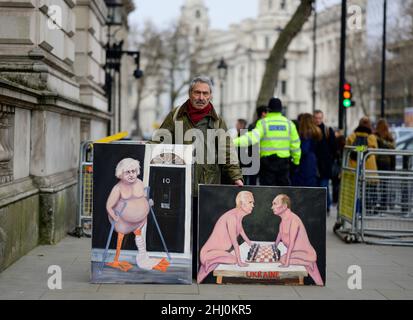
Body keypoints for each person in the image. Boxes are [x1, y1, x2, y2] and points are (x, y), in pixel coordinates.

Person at [153, 75, 243, 277]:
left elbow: (227, 150)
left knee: (203, 229)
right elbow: (160, 141)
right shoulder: (176, 116)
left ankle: (199, 269)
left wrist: (236, 176)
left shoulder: (217, 121)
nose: (201, 97)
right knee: (179, 229)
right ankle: (178, 269)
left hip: (207, 185)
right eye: (197, 92)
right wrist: (144, 152)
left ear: (211, 95)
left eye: (205, 93)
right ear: (190, 93)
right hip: (180, 184)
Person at [105, 158, 169, 272]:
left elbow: (143, 197)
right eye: (127, 172)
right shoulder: (118, 188)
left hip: (139, 220)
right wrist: (114, 217)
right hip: (123, 221)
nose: (131, 175)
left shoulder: (139, 183)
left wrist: (148, 202)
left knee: (139, 235)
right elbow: (109, 206)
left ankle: (143, 256)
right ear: (121, 173)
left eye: (133, 171)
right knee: (121, 237)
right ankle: (116, 260)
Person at [233, 98, 301, 186]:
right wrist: (296, 162)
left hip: (267, 165)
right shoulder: (289, 124)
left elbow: (251, 138)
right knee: (283, 194)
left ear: (269, 109)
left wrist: (232, 142)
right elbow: (295, 146)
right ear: (281, 109)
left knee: (268, 194)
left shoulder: (263, 123)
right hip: (283, 165)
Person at [197, 191, 254, 283]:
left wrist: (251, 244)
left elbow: (240, 230)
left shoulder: (237, 215)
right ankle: (209, 262)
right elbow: (234, 242)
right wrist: (240, 262)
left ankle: (209, 263)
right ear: (241, 204)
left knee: (202, 275)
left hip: (217, 253)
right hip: (209, 254)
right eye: (250, 202)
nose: (253, 205)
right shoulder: (232, 217)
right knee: (234, 260)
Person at [272, 194, 324, 286]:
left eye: (275, 204)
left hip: (305, 254)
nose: (272, 207)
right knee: (318, 282)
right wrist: (273, 247)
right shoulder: (283, 219)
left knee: (283, 259)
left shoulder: (293, 219)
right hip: (296, 254)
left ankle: (308, 262)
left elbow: (292, 242)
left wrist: (287, 263)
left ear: (284, 207)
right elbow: (280, 234)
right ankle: (308, 263)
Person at [313, 110, 336, 214]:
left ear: (322, 118)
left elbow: (333, 147)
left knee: (324, 186)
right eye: (316, 118)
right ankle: (321, 207)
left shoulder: (328, 130)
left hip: (325, 164)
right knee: (318, 186)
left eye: (319, 118)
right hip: (315, 164)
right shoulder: (311, 130)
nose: (318, 120)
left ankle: (326, 207)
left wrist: (329, 160)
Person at [291, 113, 322, 187]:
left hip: (305, 164)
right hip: (313, 163)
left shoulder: (305, 135)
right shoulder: (317, 133)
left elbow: (304, 150)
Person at [374, 119, 396, 210]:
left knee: (376, 184)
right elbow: (393, 151)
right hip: (387, 163)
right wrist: (393, 166)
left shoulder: (376, 136)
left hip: (378, 162)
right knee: (384, 185)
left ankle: (379, 204)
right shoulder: (389, 137)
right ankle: (383, 204)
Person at [246, 106, 268, 185]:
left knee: (252, 181)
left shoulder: (251, 125)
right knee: (264, 181)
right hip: (263, 157)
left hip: (253, 157)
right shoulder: (264, 126)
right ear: (263, 113)